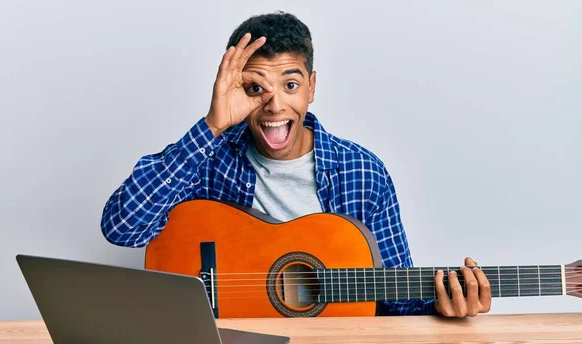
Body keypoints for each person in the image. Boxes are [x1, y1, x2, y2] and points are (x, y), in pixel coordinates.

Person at [100, 11, 491, 318]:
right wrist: (212, 125)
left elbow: (392, 298)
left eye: (290, 85)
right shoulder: (207, 157)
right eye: (256, 88)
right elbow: (122, 228)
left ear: (312, 87)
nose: (274, 105)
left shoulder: (363, 172)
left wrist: (443, 303)